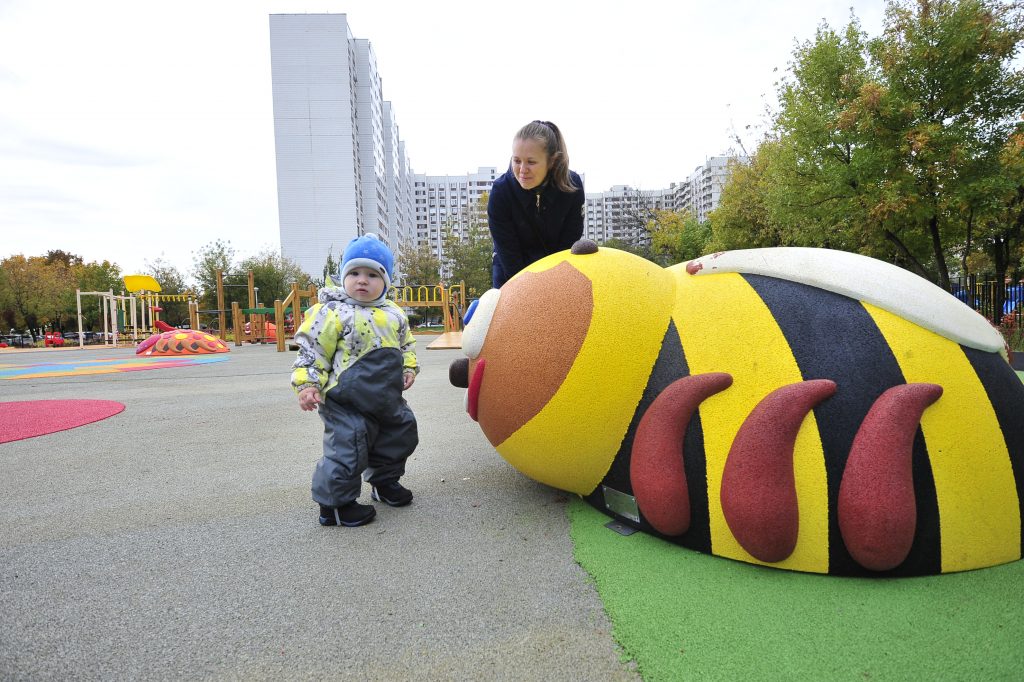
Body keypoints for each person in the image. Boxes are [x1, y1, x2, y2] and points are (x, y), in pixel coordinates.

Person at [291, 233, 419, 527]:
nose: (362, 280)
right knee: (349, 445)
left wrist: (408, 368)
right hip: (344, 399)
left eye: (373, 274)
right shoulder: (333, 312)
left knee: (398, 434)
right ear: (343, 277)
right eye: (355, 273)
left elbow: (406, 345)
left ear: (385, 282)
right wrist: (308, 383)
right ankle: (335, 504)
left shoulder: (394, 313)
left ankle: (384, 484)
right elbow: (313, 351)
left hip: (385, 396)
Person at [487, 120, 585, 288]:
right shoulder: (501, 192)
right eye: (516, 161)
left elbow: (567, 245)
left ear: (552, 161)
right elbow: (509, 256)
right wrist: (530, 293)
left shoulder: (572, 187)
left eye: (531, 162)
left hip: (556, 272)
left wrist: (552, 286)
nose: (522, 169)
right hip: (511, 276)